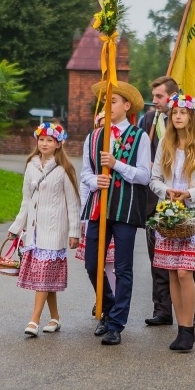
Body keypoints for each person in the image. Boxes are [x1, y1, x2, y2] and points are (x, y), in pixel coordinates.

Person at [81, 80, 151, 346]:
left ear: (126, 105)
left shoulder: (140, 136)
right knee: (91, 263)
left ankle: (116, 324)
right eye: (105, 101)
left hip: (126, 208)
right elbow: (85, 172)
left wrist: (116, 164)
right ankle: (108, 307)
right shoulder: (94, 136)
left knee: (122, 267)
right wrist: (95, 180)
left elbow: (144, 176)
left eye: (113, 101)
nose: (107, 105)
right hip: (99, 207)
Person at [149, 93, 195, 352]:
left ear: (191, 116)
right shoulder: (165, 144)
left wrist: (189, 193)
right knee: (172, 273)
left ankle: (189, 329)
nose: (178, 117)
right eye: (174, 113)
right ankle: (180, 329)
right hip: (170, 216)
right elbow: (154, 179)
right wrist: (166, 191)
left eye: (183, 113)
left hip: (193, 217)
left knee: (184, 272)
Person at [139, 76, 195, 327]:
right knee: (159, 259)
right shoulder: (149, 120)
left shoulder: (191, 123)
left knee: (185, 263)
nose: (154, 100)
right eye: (153, 96)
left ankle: (191, 309)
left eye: (159, 96)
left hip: (185, 203)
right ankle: (162, 309)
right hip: (156, 200)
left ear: (172, 96)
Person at [8, 123, 80, 337]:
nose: (44, 143)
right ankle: (55, 318)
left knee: (43, 276)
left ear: (58, 144)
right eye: (41, 139)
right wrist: (16, 227)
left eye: (50, 140)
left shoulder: (64, 169)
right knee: (46, 278)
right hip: (34, 231)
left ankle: (34, 320)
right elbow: (26, 200)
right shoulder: (31, 165)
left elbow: (73, 203)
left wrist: (74, 232)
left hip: (54, 231)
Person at [75, 112, 116, 301]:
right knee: (93, 263)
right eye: (100, 125)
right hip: (94, 209)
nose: (103, 129)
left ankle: (111, 299)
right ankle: (102, 299)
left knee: (112, 264)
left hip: (114, 209)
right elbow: (85, 183)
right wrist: (83, 217)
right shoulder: (91, 146)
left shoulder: (118, 145)